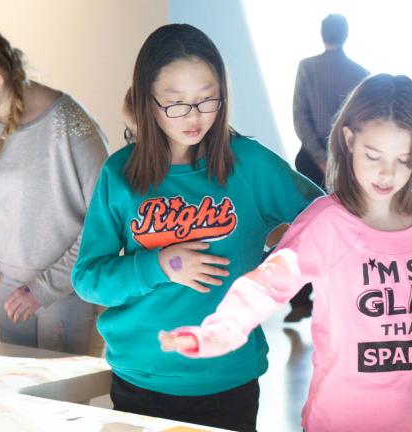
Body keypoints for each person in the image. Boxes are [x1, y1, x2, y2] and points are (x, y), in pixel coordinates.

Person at [161, 74, 412, 431]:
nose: (387, 173)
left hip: (411, 419)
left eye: (403, 159)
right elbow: (266, 285)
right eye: (373, 155)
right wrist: (215, 333)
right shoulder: (326, 222)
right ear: (349, 139)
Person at [71, 24, 322, 431]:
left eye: (207, 100)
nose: (194, 117)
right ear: (147, 103)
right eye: (176, 103)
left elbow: (325, 221)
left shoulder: (250, 164)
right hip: (142, 378)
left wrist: (278, 268)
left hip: (229, 380)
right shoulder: (120, 174)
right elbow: (87, 279)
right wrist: (158, 265)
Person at [0, 18, 107, 354]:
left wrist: (42, 289)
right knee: (18, 398)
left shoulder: (71, 127)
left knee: (60, 402)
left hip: (70, 287)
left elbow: (103, 224)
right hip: (12, 288)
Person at [288, 13, 369, 322]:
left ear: (323, 34)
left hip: (309, 161)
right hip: (346, 162)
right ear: (345, 35)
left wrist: (319, 156)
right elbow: (362, 124)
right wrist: (335, 157)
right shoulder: (360, 72)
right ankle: (338, 299)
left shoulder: (307, 68)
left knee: (304, 229)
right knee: (342, 231)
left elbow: (300, 117)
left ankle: (299, 299)